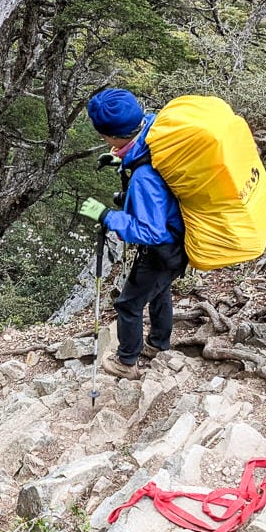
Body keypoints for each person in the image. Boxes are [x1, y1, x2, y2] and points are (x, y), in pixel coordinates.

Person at [78, 88, 188, 380]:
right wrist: (119, 161)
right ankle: (158, 344)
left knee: (128, 304)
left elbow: (149, 232)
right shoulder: (153, 131)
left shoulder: (143, 179)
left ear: (111, 136)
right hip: (178, 244)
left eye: (105, 137)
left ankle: (126, 362)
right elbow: (144, 157)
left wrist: (106, 215)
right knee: (160, 291)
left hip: (161, 250)